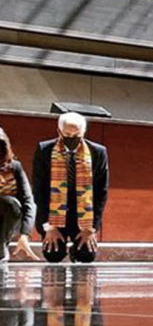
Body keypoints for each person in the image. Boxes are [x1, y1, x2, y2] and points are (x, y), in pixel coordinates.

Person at [32, 112, 108, 264]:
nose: (71, 138)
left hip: (83, 217)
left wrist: (91, 228)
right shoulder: (44, 149)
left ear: (84, 132)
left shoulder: (98, 152)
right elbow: (39, 190)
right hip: (54, 215)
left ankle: (75, 251)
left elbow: (101, 192)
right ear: (59, 131)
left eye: (77, 135)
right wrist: (48, 227)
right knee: (53, 255)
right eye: (67, 134)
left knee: (86, 256)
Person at [0, 127, 37, 263]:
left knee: (10, 202)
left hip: (4, 221)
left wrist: (25, 234)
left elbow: (28, 201)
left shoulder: (14, 167)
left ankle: (1, 247)